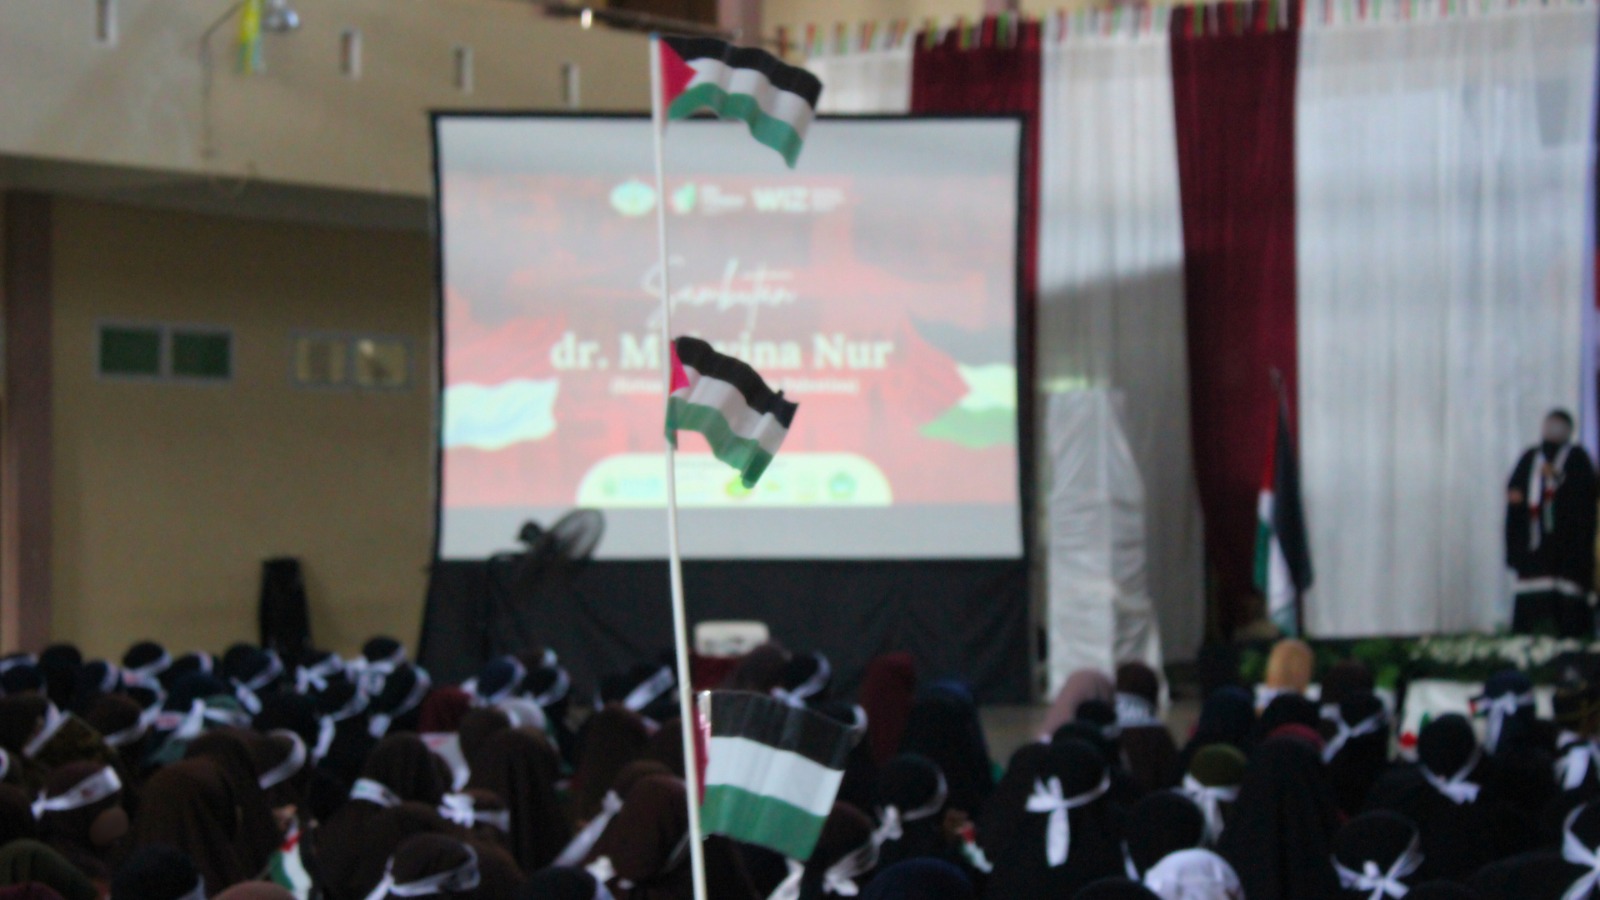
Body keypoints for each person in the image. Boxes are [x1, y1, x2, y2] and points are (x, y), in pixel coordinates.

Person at [1507, 409, 1598, 637]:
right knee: (1533, 599)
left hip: (1566, 550)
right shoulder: (1531, 456)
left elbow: (1585, 496)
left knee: (1565, 606)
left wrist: (1559, 479)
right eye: (1551, 425)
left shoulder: (1577, 457)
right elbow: (1515, 491)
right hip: (1534, 546)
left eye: (1559, 426)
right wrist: (1517, 496)